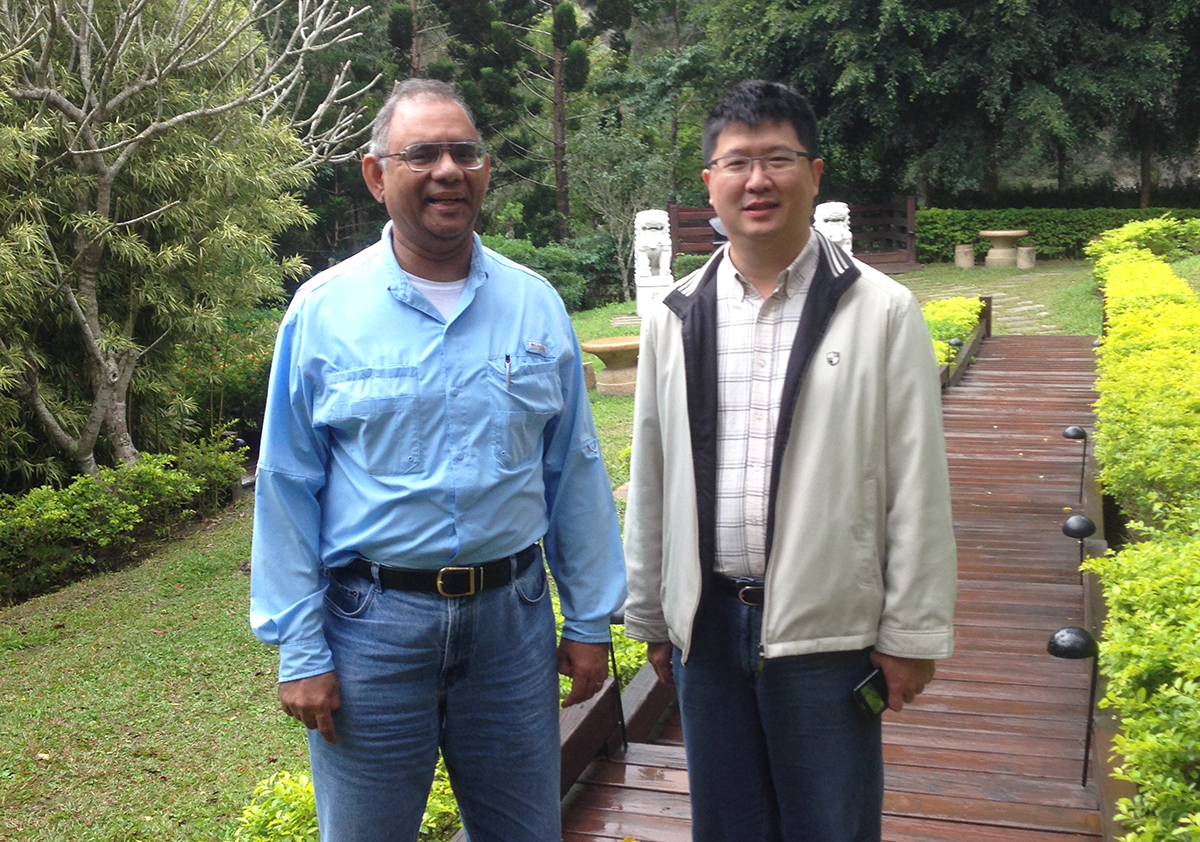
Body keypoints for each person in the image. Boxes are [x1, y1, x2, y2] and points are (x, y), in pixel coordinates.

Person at [249, 78, 626, 842]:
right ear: (375, 173)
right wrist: (299, 647)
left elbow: (573, 473)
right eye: (422, 153)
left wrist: (589, 620)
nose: (448, 170)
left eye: (466, 152)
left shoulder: (535, 306)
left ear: (486, 170)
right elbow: (287, 485)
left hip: (511, 627)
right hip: (370, 631)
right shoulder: (322, 312)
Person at [623, 80, 957, 842]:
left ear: (816, 170)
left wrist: (910, 633)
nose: (758, 180)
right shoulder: (676, 314)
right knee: (728, 827)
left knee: (830, 827)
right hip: (707, 629)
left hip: (828, 636)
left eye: (778, 158)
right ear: (710, 181)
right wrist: (650, 613)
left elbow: (917, 485)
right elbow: (652, 480)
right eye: (736, 162)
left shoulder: (881, 311)